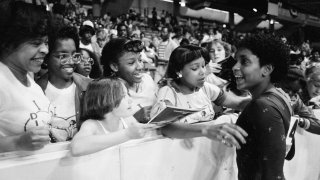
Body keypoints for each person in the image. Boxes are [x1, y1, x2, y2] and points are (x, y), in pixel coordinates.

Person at [232, 34, 291, 180]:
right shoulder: (280, 95)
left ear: (267, 69)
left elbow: (273, 174)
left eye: (244, 62)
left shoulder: (261, 106)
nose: (235, 67)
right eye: (236, 61)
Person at [0, 1, 52, 152]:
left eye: (46, 43)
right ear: (8, 43)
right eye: (36, 43)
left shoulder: (30, 80)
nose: (45, 50)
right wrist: (17, 143)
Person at [71, 78, 154, 156]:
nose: (130, 100)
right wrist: (128, 134)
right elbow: (76, 147)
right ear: (104, 100)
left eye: (128, 94)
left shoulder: (128, 120)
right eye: (123, 96)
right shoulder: (91, 124)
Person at [37, 26, 92, 141]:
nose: (71, 61)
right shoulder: (36, 91)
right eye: (62, 56)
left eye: (74, 55)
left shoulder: (89, 87)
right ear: (46, 58)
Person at [101, 38, 158, 119]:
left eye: (140, 60)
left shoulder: (147, 79)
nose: (140, 66)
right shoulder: (110, 92)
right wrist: (135, 118)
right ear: (114, 66)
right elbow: (106, 127)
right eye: (131, 63)